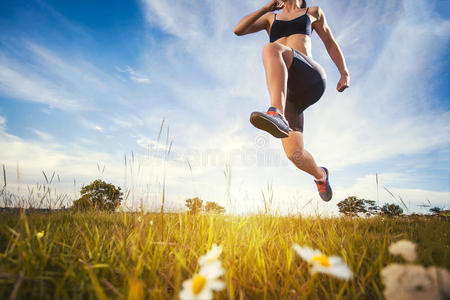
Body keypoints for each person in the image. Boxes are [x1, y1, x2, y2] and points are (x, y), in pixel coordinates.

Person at [234, 0, 349, 201]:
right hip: (289, 94)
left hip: (310, 77)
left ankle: (275, 112)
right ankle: (321, 176)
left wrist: (344, 73)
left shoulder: (312, 12)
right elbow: (238, 30)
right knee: (295, 155)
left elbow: (330, 42)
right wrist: (264, 9)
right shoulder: (271, 17)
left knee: (272, 49)